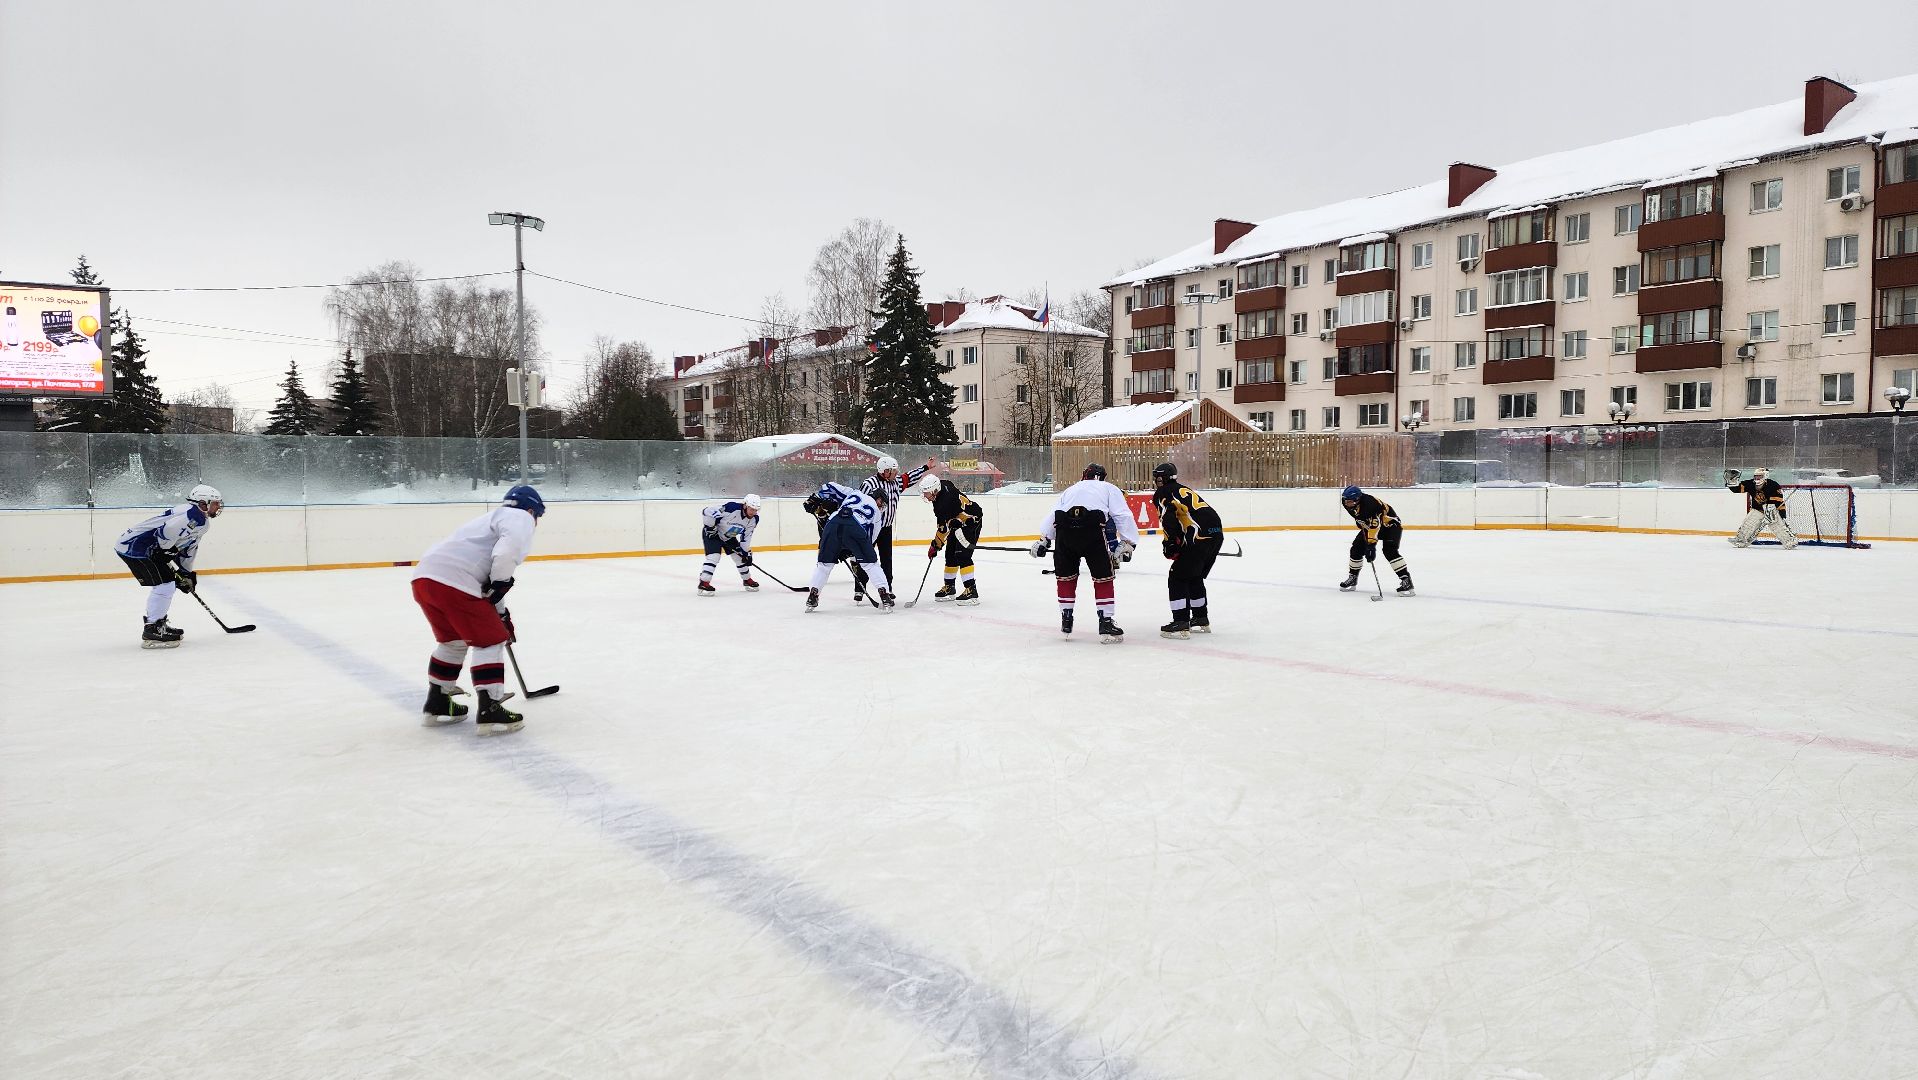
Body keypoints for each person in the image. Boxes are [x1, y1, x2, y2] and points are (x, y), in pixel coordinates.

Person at [409, 485, 545, 734]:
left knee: (454, 641)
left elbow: (489, 587)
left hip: (425, 580)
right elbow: (506, 553)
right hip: (456, 582)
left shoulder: (486, 521)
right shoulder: (520, 517)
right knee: (490, 640)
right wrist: (501, 584)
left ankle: (437, 702)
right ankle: (490, 707)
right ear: (531, 510)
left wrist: (500, 611)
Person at [1030, 463, 1138, 641]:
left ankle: (1066, 619)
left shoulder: (1071, 490)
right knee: (1103, 578)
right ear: (1102, 476)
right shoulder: (1109, 488)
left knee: (1066, 578)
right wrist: (1128, 542)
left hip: (1065, 533)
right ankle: (1106, 622)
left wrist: (1044, 539)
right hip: (1093, 533)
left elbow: (1054, 514)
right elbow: (1122, 515)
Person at [115, 484, 223, 648]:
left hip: (144, 547)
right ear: (203, 503)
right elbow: (167, 530)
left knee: (167, 583)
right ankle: (153, 628)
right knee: (165, 584)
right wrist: (164, 549)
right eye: (215, 503)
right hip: (135, 547)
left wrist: (186, 573)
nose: (218, 506)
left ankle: (157, 625)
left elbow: (190, 548)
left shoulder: (202, 522)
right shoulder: (192, 515)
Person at [1150, 463, 1225, 638]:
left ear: (1161, 478)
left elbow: (1169, 518)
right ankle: (1200, 618)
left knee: (1177, 576)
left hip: (1198, 536)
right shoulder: (1182, 489)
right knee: (1194, 576)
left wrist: (1170, 543)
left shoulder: (1162, 493)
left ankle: (1181, 623)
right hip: (1217, 534)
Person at [802, 481, 894, 613]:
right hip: (855, 527)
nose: (882, 507)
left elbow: (830, 486)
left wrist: (817, 497)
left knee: (824, 565)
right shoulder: (877, 515)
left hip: (832, 524)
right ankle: (884, 595)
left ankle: (813, 596)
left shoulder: (854, 493)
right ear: (878, 499)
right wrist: (852, 549)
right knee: (871, 565)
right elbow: (869, 540)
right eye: (883, 503)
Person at [858, 454, 937, 601]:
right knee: (867, 558)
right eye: (893, 470)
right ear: (884, 471)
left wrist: (926, 467)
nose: (896, 473)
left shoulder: (896, 482)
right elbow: (858, 502)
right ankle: (860, 588)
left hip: (886, 528)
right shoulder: (869, 484)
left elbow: (909, 477)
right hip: (869, 528)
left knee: (886, 560)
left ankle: (887, 589)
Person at [918, 473, 984, 605]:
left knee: (962, 555)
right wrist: (937, 544)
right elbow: (947, 523)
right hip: (958, 522)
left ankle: (971, 590)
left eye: (927, 493)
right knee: (950, 555)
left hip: (971, 523)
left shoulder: (946, 502)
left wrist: (936, 544)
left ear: (934, 491)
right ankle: (950, 587)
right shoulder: (943, 486)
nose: (925, 496)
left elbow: (943, 528)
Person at [1339, 484, 1414, 596]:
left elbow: (1375, 527)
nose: (1347, 504)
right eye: (1346, 501)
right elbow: (1363, 521)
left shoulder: (1370, 505)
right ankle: (1353, 577)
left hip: (1390, 526)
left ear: (1358, 499)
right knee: (1356, 548)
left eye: (1350, 501)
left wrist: (1371, 546)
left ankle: (1406, 581)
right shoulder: (1347, 503)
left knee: (1390, 551)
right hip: (1371, 525)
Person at [698, 494, 762, 594]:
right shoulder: (732, 508)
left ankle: (747, 580)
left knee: (740, 558)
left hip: (729, 536)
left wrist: (745, 553)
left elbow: (747, 536)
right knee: (714, 557)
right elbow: (707, 511)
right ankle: (704, 582)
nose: (753, 512)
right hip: (713, 534)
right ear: (745, 505)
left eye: (755, 510)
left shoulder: (754, 519)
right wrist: (710, 527)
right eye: (751, 509)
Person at [1727, 467, 1796, 548]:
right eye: (1755, 476)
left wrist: (1775, 513)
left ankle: (1790, 542)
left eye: (1759, 476)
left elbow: (1778, 500)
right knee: (1748, 523)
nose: (1757, 478)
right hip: (1758, 509)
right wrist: (1732, 481)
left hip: (1774, 509)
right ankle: (1741, 540)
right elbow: (1737, 489)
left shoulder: (1773, 485)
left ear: (1765, 476)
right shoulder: (1751, 483)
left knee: (1777, 527)